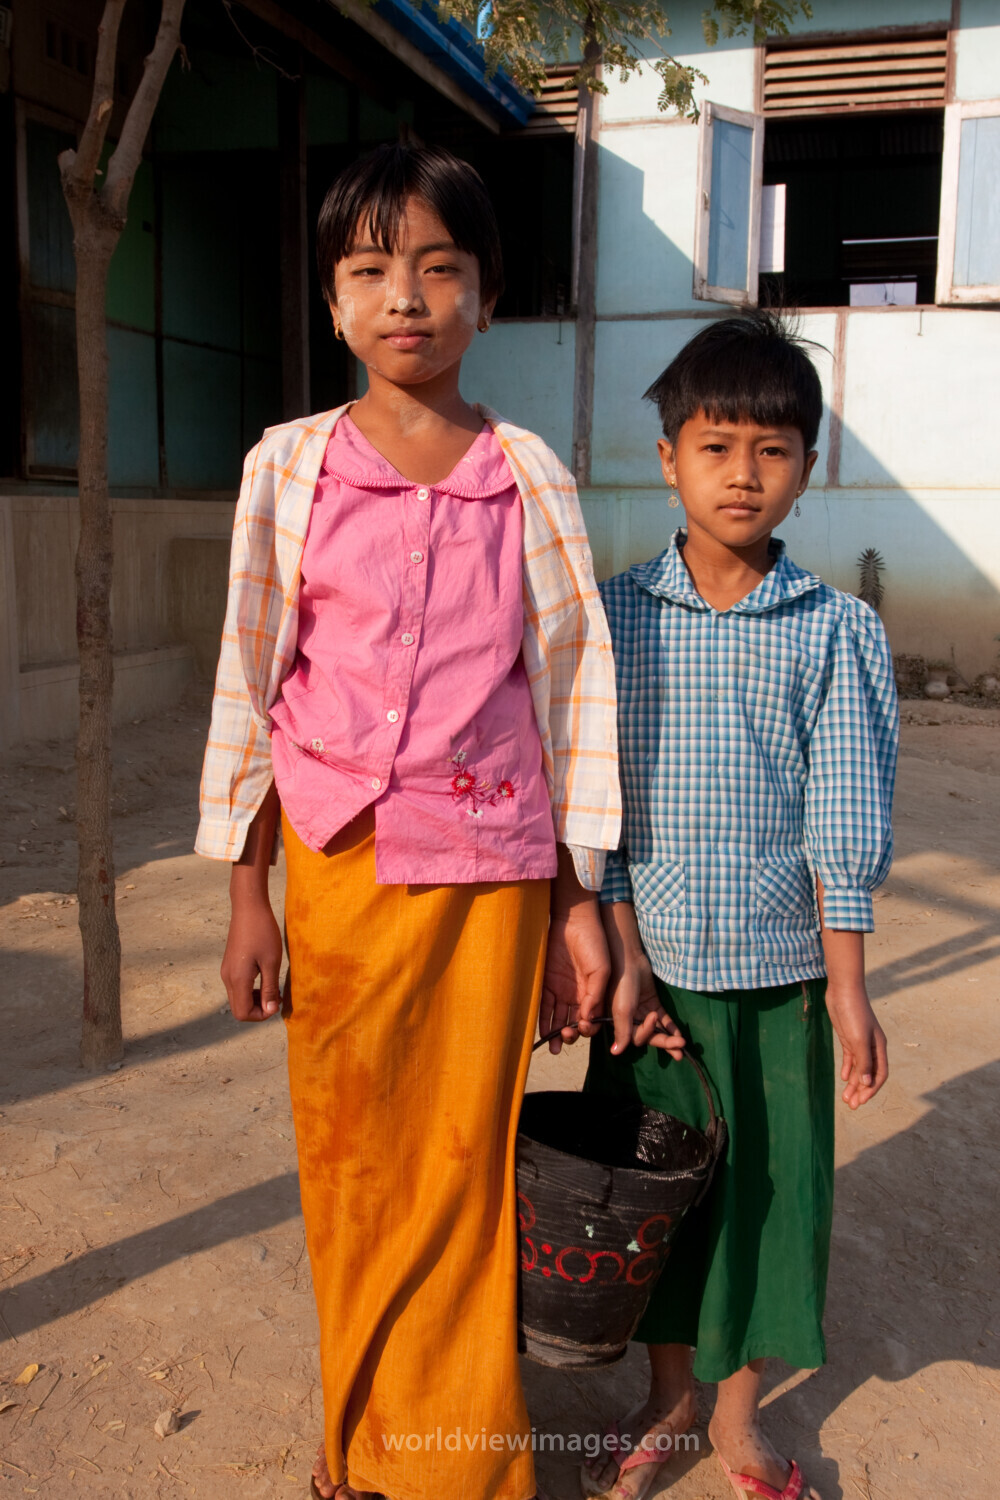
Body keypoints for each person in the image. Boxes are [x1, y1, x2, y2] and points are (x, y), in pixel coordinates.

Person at [196, 143, 621, 1500]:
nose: (407, 297)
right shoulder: (288, 469)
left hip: (493, 876)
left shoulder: (532, 479)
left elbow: (573, 697)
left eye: (440, 267)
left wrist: (580, 906)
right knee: (348, 1157)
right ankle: (359, 1442)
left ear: (486, 297)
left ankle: (461, 1469)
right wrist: (245, 890)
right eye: (372, 269)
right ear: (332, 302)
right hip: (334, 866)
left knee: (462, 1167)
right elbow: (249, 673)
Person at [581, 312, 899, 1500]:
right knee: (656, 1203)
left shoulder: (836, 633)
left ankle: (735, 1417)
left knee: (770, 1204)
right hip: (647, 986)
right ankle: (664, 1398)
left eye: (771, 451)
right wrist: (618, 960)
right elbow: (591, 817)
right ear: (667, 457)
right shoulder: (612, 623)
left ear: (807, 470)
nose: (741, 474)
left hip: (781, 987)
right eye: (715, 446)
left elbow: (845, 828)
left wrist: (851, 991)